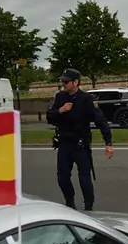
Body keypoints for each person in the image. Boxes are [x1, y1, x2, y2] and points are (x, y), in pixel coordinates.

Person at [46, 68, 114, 211]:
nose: (63, 84)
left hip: (80, 144)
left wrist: (108, 143)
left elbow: (101, 121)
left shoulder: (87, 99)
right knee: (62, 177)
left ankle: (88, 206)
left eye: (66, 81)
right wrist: (60, 110)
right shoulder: (60, 98)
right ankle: (70, 202)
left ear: (75, 82)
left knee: (84, 177)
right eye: (62, 81)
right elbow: (49, 117)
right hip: (64, 143)